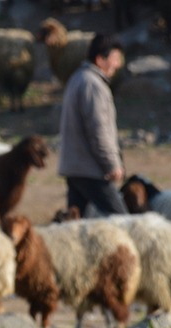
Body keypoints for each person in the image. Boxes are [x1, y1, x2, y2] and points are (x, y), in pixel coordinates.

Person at [56, 34, 128, 218]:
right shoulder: (93, 85)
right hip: (90, 169)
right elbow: (98, 130)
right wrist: (112, 164)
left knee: (77, 224)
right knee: (122, 220)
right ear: (100, 59)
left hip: (75, 166)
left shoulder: (77, 78)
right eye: (115, 59)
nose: (118, 64)